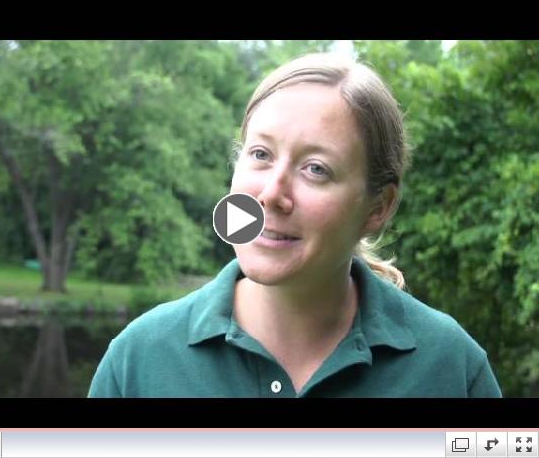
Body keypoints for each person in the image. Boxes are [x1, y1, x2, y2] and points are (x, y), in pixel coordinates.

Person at [88, 52, 502, 397]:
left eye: (316, 169)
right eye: (261, 155)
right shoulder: (138, 362)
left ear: (379, 206)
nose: (271, 192)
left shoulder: (451, 368)